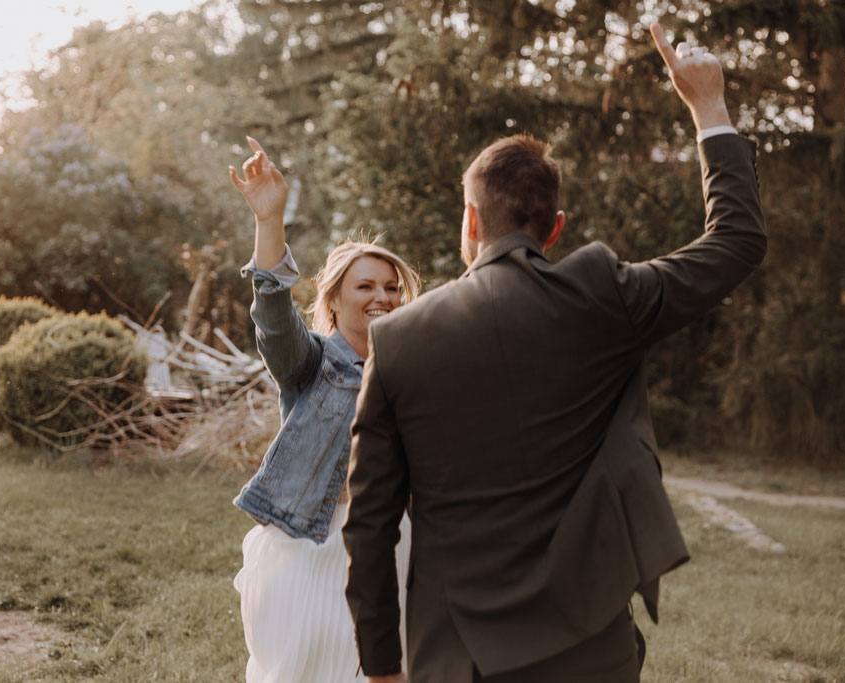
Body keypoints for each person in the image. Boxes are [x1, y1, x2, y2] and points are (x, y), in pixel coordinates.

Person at [343, 22, 766, 683]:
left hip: (456, 656)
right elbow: (736, 241)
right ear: (555, 230)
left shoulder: (397, 338)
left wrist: (380, 665)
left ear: (471, 222)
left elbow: (370, 524)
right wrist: (707, 105)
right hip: (588, 649)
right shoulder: (604, 296)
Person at [228, 138, 421, 682]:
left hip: (388, 550)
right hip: (306, 547)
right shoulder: (310, 364)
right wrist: (270, 221)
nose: (382, 296)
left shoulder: (413, 373)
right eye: (365, 286)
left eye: (391, 287)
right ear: (334, 299)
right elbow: (273, 317)